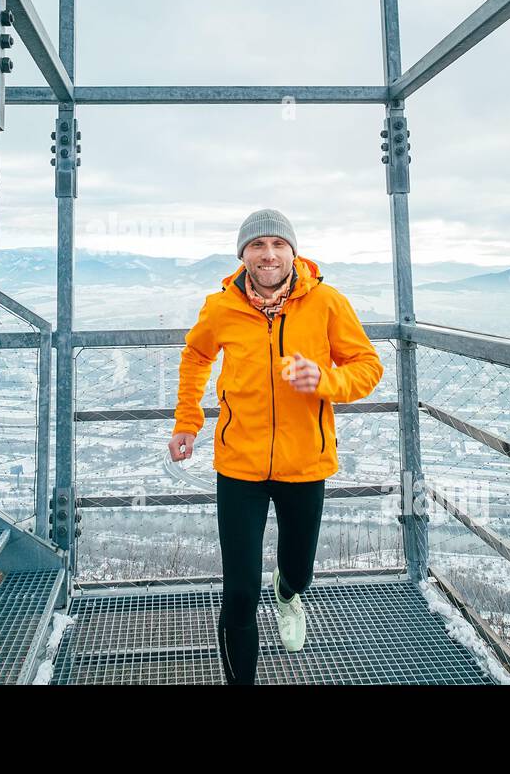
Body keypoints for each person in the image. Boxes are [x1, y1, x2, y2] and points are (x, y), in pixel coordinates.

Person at [167, 208, 385, 684]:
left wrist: (324, 379)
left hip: (305, 465)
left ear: (293, 252)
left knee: (299, 572)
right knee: (239, 592)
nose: (268, 254)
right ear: (243, 254)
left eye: (278, 245)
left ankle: (288, 595)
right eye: (257, 245)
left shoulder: (326, 302)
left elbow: (368, 366)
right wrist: (188, 421)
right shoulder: (221, 307)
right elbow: (196, 355)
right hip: (239, 466)